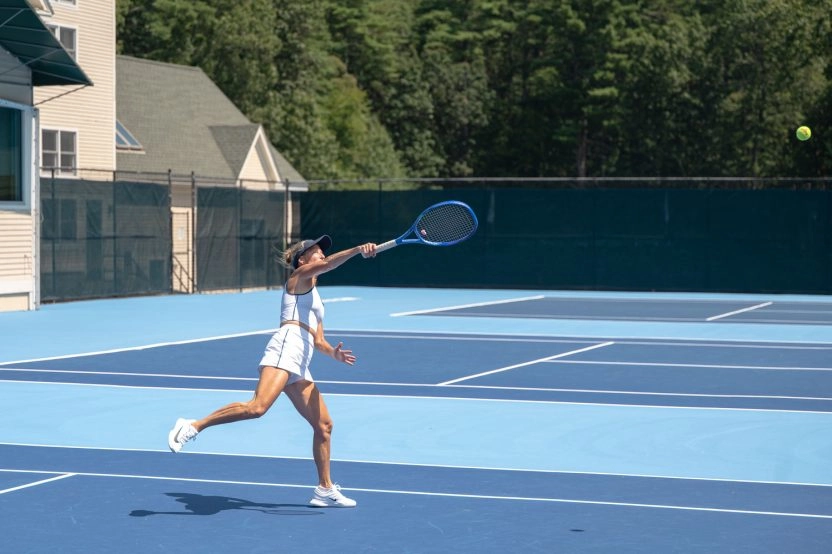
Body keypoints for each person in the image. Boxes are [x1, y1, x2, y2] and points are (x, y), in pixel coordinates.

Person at [167, 235, 377, 508]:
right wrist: (358, 248)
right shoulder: (298, 278)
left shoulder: (317, 299)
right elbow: (329, 266)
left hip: (301, 358)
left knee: (324, 426)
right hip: (286, 345)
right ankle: (193, 425)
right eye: (316, 251)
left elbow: (319, 340)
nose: (322, 255)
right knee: (257, 408)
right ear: (302, 260)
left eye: (322, 251)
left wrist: (333, 353)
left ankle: (324, 489)